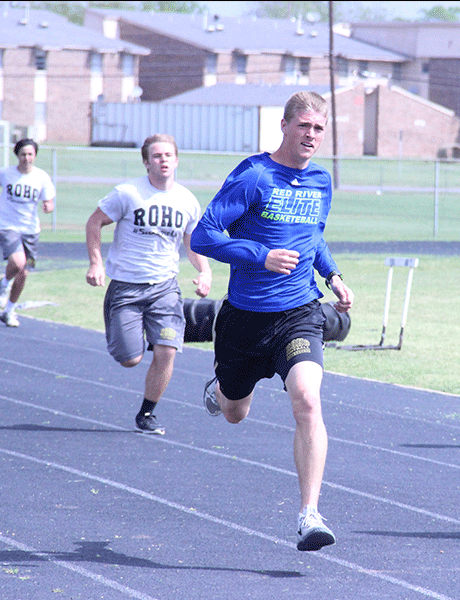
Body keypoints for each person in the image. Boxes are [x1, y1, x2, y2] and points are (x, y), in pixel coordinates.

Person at [190, 91, 354, 551]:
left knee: (307, 398)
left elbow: (313, 237)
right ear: (284, 126)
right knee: (235, 413)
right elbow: (204, 236)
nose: (312, 135)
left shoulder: (321, 181)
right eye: (304, 125)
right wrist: (260, 256)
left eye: (319, 129)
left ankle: (309, 514)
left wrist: (334, 275)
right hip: (245, 319)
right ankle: (220, 389)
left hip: (299, 312)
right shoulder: (254, 175)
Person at [86, 134, 212, 435]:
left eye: (168, 155)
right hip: (127, 287)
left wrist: (204, 270)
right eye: (156, 156)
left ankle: (146, 413)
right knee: (130, 359)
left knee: (167, 351)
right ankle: (132, 329)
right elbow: (94, 222)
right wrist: (96, 262)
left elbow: (191, 240)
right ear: (146, 162)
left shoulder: (187, 200)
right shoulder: (127, 193)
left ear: (177, 160)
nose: (163, 160)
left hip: (164, 288)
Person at [0, 138, 56, 327]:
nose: (27, 158)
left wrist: (48, 205)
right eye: (23, 154)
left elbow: (48, 200)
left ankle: (9, 311)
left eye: (30, 154)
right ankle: (5, 283)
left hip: (31, 230)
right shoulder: (6, 174)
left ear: (35, 156)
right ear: (17, 155)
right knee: (17, 262)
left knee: (23, 273)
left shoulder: (41, 177)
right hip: (8, 226)